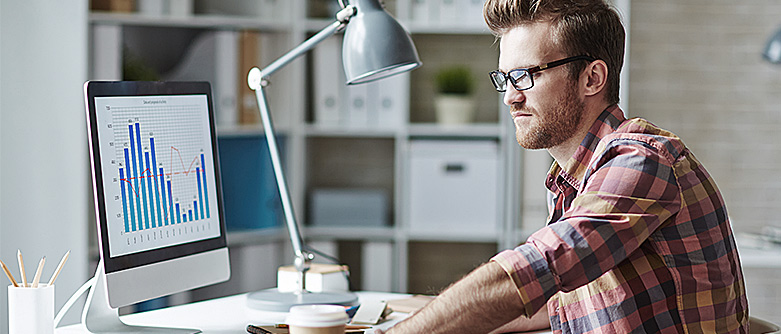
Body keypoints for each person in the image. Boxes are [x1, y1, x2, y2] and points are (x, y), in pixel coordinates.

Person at [383, 0, 749, 333]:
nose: (511, 96)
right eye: (505, 79)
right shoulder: (572, 180)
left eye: (526, 75)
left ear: (592, 78)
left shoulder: (640, 162)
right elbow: (562, 299)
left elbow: (541, 267)